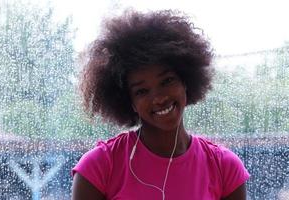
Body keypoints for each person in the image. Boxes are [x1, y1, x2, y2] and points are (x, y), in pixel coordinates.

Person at [71, 9, 249, 200]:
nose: (158, 98)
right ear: (129, 101)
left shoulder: (225, 168)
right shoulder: (99, 167)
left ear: (186, 82)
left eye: (167, 81)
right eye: (142, 91)